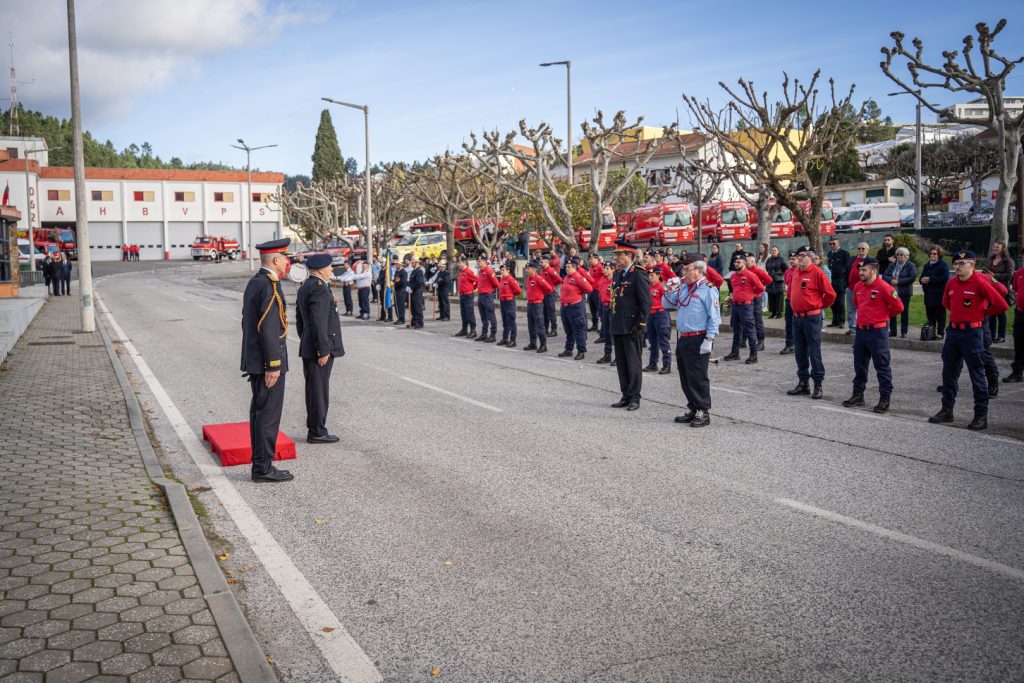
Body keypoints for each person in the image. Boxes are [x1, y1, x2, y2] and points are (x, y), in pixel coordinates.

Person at [929, 250, 1008, 430]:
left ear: (972, 264)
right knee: (949, 373)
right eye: (955, 263)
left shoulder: (980, 282)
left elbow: (1001, 304)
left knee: (977, 374)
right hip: (954, 332)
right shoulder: (951, 283)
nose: (957, 267)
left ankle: (981, 415)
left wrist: (980, 314)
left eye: (961, 264)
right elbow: (946, 303)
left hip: (972, 333)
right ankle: (947, 410)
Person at [240, 238, 294, 483]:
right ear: (275, 259)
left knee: (261, 413)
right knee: (267, 415)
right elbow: (269, 327)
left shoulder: (256, 282)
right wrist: (273, 364)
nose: (287, 261)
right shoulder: (269, 285)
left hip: (256, 360)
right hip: (267, 363)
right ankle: (263, 468)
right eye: (285, 257)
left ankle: (261, 464)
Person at [662, 257, 721, 427]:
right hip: (684, 337)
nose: (684, 273)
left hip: (699, 337)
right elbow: (667, 304)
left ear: (699, 270)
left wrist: (709, 340)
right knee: (685, 376)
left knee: (697, 376)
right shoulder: (685, 288)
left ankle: (703, 411)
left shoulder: (708, 289)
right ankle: (693, 408)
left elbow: (714, 317)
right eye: (684, 270)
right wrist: (669, 289)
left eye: (687, 269)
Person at [295, 254, 345, 445]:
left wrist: (307, 339)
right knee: (318, 391)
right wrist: (322, 349)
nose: (332, 269)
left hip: (310, 345)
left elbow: (300, 321)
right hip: (319, 349)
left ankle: (316, 429)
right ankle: (317, 431)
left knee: (314, 389)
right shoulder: (319, 289)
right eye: (330, 267)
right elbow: (318, 322)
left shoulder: (306, 286)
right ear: (321, 269)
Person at [843, 257, 903, 413]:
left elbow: (898, 307)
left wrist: (882, 316)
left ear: (874, 271)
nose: (860, 272)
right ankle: (858, 394)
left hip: (877, 332)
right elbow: (857, 304)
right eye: (860, 269)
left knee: (882, 366)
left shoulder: (884, 287)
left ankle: (884, 399)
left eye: (864, 270)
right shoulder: (858, 286)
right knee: (860, 365)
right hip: (861, 331)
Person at [786, 246, 836, 399]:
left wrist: (818, 307)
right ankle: (803, 383)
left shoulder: (817, 273)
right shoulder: (796, 272)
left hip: (811, 318)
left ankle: (818, 384)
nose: (800, 258)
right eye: (798, 255)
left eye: (803, 255)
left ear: (811, 257)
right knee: (800, 351)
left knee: (814, 352)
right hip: (797, 318)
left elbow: (830, 295)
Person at [609, 241, 652, 411]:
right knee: (621, 362)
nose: (617, 257)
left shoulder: (638, 274)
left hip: (632, 325)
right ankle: (625, 394)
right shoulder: (618, 274)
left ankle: (635, 396)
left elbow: (646, 302)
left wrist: (640, 324)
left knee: (633, 363)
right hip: (619, 324)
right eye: (617, 254)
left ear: (630, 256)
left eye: (620, 254)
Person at [723, 252, 764, 364]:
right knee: (736, 330)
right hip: (736, 305)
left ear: (744, 263)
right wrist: (732, 298)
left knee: (749, 330)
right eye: (735, 262)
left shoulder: (750, 275)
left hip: (746, 306)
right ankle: (735, 353)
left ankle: (753, 355)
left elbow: (760, 288)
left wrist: (751, 295)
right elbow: (735, 290)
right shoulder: (733, 276)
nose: (736, 264)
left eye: (739, 262)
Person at [558, 258, 593, 360]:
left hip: (575, 307)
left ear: (575, 268)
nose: (567, 268)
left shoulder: (578, 277)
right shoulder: (566, 278)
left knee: (579, 329)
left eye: (569, 267)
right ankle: (568, 349)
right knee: (569, 330)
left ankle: (581, 351)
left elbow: (589, 288)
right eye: (566, 267)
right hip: (565, 307)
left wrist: (579, 294)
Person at [643, 267, 672, 374]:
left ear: (658, 275)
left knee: (663, 340)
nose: (650, 277)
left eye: (653, 275)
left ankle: (666, 364)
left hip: (661, 314)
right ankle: (653, 364)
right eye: (649, 275)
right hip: (650, 315)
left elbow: (669, 301)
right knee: (652, 342)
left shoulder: (661, 287)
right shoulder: (648, 287)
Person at [883, 247, 916, 337]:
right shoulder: (892, 265)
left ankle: (904, 332)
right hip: (892, 292)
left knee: (904, 312)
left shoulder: (911, 265)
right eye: (897, 254)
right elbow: (885, 276)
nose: (898, 256)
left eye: (901, 255)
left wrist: (898, 281)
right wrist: (890, 280)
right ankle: (893, 331)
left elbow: (912, 277)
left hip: (904, 292)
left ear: (906, 256)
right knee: (893, 311)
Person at [986, 240, 1014, 343]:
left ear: (1003, 249)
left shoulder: (1008, 261)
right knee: (991, 313)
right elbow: (986, 271)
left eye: (997, 247)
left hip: (1002, 290)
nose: (995, 248)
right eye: (994, 246)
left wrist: (995, 275)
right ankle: (991, 335)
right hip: (990, 289)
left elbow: (1010, 275)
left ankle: (1001, 336)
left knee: (1001, 313)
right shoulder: (990, 259)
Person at [920, 245, 950, 338]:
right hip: (928, 294)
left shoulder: (943, 265)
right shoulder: (927, 265)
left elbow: (944, 277)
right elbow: (922, 277)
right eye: (931, 253)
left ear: (939, 255)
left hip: (939, 294)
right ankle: (931, 332)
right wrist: (922, 281)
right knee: (930, 315)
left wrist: (930, 279)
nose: (932, 255)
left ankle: (941, 333)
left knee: (940, 315)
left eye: (935, 254)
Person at [523, 260, 553, 352]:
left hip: (537, 304)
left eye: (528, 269)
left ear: (533, 269)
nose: (526, 270)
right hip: (530, 304)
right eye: (526, 269)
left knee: (540, 325)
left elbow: (549, 289)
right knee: (531, 325)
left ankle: (543, 345)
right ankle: (533, 343)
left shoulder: (539, 278)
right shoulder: (528, 279)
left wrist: (540, 295)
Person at [745, 254, 772, 350]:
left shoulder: (757, 270)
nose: (745, 262)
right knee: (747, 319)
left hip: (756, 297)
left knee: (757, 319)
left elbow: (769, 279)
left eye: (747, 261)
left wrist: (759, 286)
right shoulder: (745, 271)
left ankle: (761, 341)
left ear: (752, 262)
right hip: (747, 297)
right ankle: (744, 340)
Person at [1005, 261, 1024, 383]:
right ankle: (1017, 372)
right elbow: (1016, 289)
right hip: (1020, 312)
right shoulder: (1019, 273)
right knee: (1019, 343)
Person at [475, 255, 500, 343]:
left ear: (485, 261)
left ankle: (493, 335)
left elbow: (496, 284)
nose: (478, 263)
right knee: (483, 316)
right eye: (478, 261)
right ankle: (484, 333)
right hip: (481, 296)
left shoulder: (489, 271)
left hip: (487, 296)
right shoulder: (480, 271)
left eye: (480, 261)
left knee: (491, 316)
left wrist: (490, 289)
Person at [826, 237, 850, 328]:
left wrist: (845, 282)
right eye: (830, 244)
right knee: (833, 301)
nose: (832, 245)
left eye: (834, 244)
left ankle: (841, 321)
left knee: (840, 302)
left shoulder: (844, 254)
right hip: (832, 279)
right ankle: (835, 320)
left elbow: (847, 269)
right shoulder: (829, 254)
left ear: (838, 243)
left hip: (840, 279)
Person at [496, 263, 521, 347]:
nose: (502, 272)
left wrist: (511, 295)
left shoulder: (510, 279)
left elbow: (518, 290)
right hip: (503, 302)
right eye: (501, 270)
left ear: (508, 271)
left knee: (511, 321)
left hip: (509, 302)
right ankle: (505, 338)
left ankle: (513, 340)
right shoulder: (502, 279)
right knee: (505, 322)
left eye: (503, 270)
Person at [595, 262, 615, 364]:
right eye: (604, 268)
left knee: (614, 332)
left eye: (607, 268)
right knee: (606, 332)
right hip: (604, 306)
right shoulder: (603, 280)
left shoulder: (615, 281)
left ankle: (618, 357)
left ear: (613, 270)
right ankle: (607, 355)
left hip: (612, 307)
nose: (605, 270)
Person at [454, 257, 478, 338]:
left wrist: (472, 288)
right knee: (463, 313)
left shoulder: (469, 272)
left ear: (464, 263)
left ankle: (473, 330)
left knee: (469, 312)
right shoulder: (461, 272)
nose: (458, 264)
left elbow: (477, 280)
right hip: (462, 294)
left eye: (460, 262)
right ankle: (464, 329)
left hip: (468, 295)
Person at [540, 254, 562, 338]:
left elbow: (559, 280)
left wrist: (551, 285)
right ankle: (545, 329)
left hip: (549, 293)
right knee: (544, 312)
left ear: (546, 261)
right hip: (543, 294)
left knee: (551, 312)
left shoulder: (551, 270)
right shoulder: (542, 271)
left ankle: (554, 329)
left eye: (542, 262)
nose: (540, 263)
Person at [764, 246, 787, 318]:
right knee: (771, 297)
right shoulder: (769, 260)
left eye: (775, 250)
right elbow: (767, 268)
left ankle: (779, 313)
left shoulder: (781, 259)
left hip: (778, 280)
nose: (774, 251)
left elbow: (786, 269)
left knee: (779, 297)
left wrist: (779, 274)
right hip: (770, 280)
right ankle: (773, 312)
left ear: (778, 251)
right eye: (772, 250)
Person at [409, 257, 426, 329]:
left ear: (416, 263)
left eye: (412, 263)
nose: (411, 264)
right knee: (413, 308)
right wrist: (409, 286)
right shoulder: (414, 271)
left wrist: (411, 287)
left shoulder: (419, 271)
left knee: (418, 307)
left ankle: (419, 322)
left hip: (417, 291)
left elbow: (419, 282)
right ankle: (414, 322)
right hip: (413, 291)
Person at [393, 257, 410, 325]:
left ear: (400, 264)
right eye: (395, 264)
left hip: (401, 290)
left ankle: (401, 319)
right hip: (397, 290)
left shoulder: (403, 272)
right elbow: (395, 279)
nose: (395, 266)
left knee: (401, 306)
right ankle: (399, 318)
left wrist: (395, 283)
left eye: (397, 264)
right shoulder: (397, 271)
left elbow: (403, 282)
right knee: (397, 305)